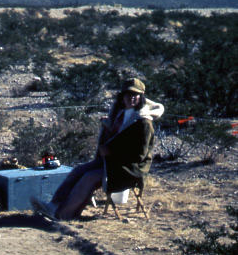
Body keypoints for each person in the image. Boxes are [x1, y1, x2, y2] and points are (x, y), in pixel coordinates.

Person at [32, 78, 164, 220]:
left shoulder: (143, 122)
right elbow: (119, 136)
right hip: (112, 162)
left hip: (129, 169)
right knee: (78, 171)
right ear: (122, 96)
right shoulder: (122, 113)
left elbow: (139, 156)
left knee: (89, 178)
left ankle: (63, 214)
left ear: (141, 97)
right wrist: (108, 127)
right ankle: (53, 205)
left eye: (135, 95)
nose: (132, 98)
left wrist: (112, 152)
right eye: (128, 94)